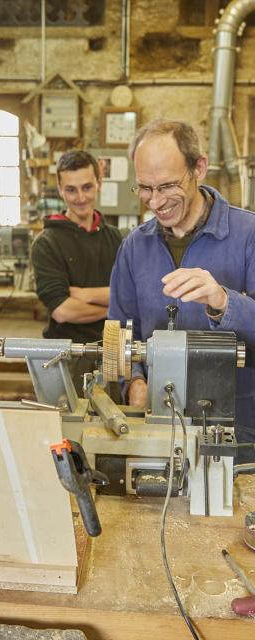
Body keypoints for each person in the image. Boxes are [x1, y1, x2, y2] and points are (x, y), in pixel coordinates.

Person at [108, 119, 255, 458]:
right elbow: (121, 332)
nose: (155, 202)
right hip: (159, 426)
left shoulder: (248, 235)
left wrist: (223, 301)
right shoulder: (134, 247)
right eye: (145, 188)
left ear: (199, 168)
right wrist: (135, 382)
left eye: (167, 186)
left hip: (241, 431)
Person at [30, 149, 122, 393]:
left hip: (112, 354)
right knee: (65, 428)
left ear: (99, 184)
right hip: (66, 357)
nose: (80, 197)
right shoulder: (47, 243)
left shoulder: (115, 239)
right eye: (71, 189)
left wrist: (83, 294)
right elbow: (62, 311)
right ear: (60, 190)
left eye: (87, 187)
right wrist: (115, 307)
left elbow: (130, 295)